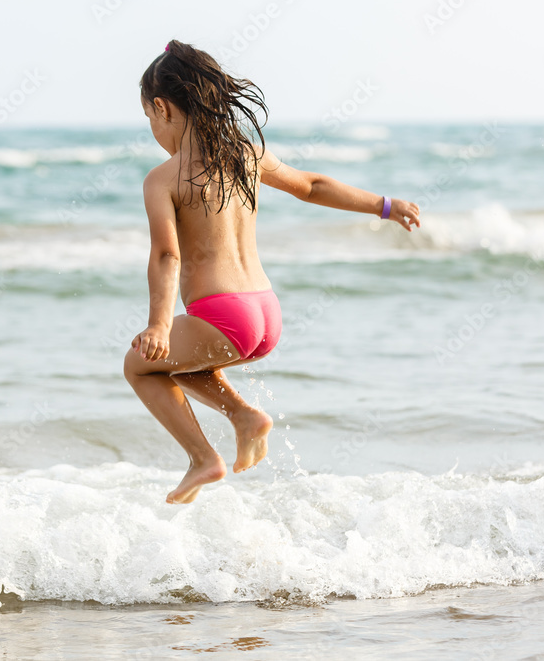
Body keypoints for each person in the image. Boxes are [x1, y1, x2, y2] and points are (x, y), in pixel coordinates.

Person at [124, 40, 421, 504]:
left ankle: (203, 458)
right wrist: (384, 205)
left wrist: (159, 323)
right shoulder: (246, 154)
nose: (152, 130)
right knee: (177, 362)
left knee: (140, 365)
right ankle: (244, 416)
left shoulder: (163, 178)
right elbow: (312, 186)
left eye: (149, 119)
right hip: (265, 314)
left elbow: (166, 256)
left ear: (162, 107)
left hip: (221, 317)